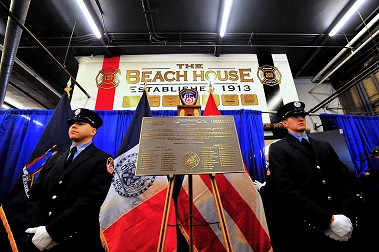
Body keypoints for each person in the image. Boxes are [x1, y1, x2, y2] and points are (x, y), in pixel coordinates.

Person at [267, 101, 363, 252]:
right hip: (311, 222)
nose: (300, 118)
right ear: (285, 123)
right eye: (294, 116)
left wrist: (345, 212)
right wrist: (327, 219)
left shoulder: (323, 145)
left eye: (302, 115)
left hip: (341, 216)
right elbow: (286, 190)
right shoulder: (279, 149)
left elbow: (343, 178)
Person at [25, 108, 114, 252]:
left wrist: (52, 232)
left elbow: (89, 201)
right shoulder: (54, 158)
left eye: (80, 123)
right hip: (40, 237)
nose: (73, 126)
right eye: (72, 123)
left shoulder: (102, 159)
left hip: (76, 239)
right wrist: (39, 228)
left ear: (93, 131)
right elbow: (35, 195)